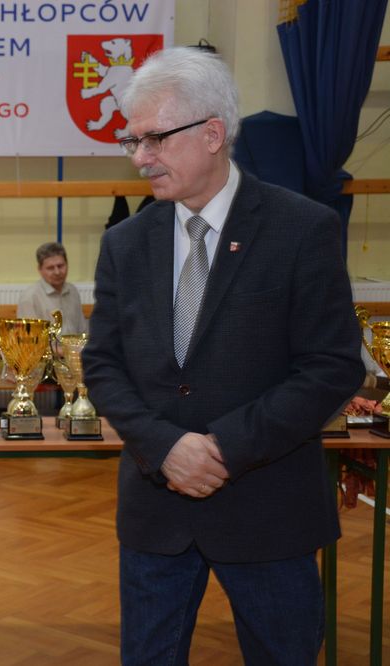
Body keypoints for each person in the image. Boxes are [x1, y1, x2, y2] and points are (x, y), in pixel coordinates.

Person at [81, 47, 364, 665]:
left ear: (213, 134)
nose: (139, 158)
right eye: (133, 141)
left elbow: (332, 366)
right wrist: (166, 448)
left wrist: (224, 448)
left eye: (154, 138)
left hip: (269, 511)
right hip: (156, 512)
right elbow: (102, 364)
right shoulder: (125, 244)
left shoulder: (302, 229)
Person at [16, 242, 87, 334]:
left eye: (60, 266)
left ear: (67, 264)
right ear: (40, 269)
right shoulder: (30, 297)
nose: (57, 272)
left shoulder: (73, 291)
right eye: (50, 268)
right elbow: (30, 338)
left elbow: (82, 330)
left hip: (74, 343)